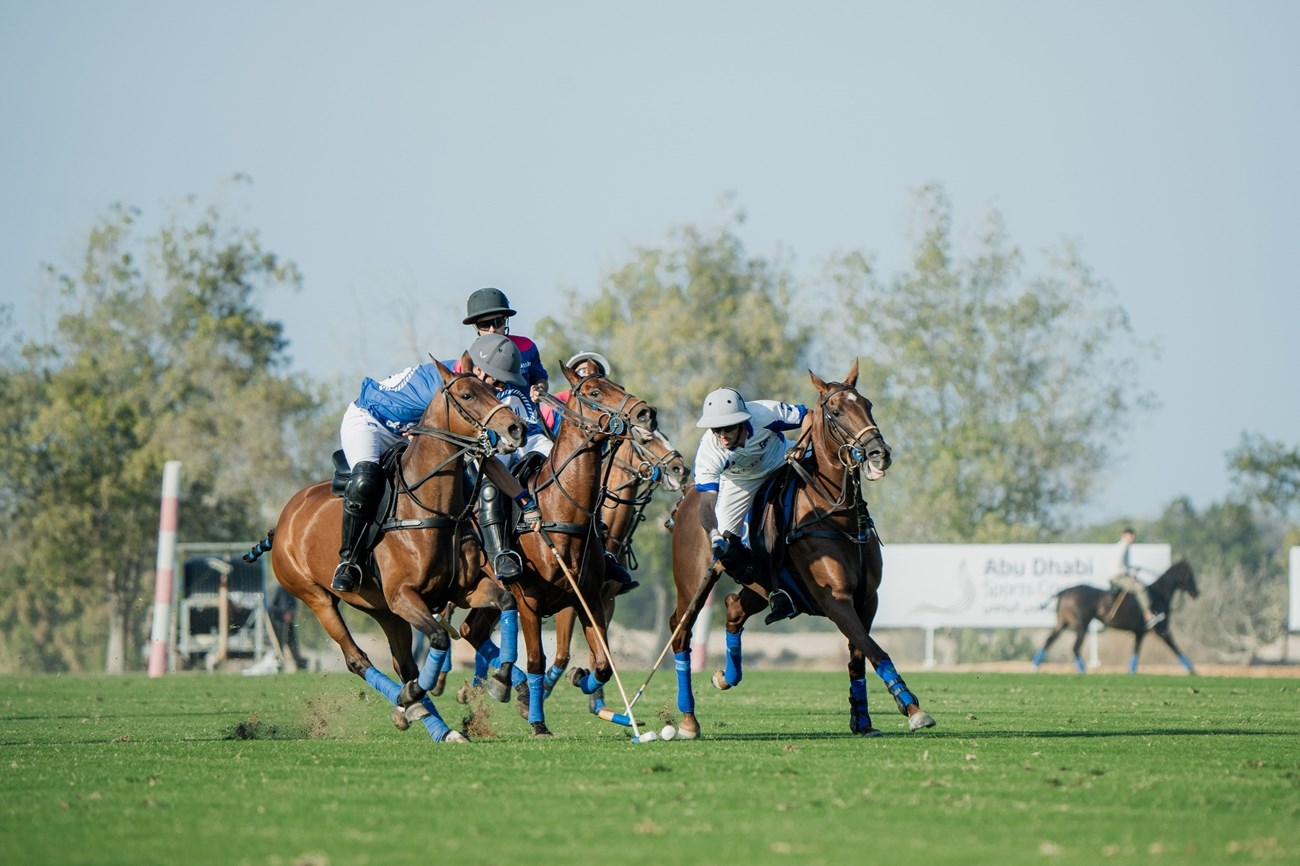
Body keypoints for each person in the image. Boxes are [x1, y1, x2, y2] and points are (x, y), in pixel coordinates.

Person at [331, 332, 542, 593]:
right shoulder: (444, 387)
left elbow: (485, 458)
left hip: (409, 432)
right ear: (480, 371)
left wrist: (524, 500)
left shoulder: (472, 392)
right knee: (365, 481)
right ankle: (349, 561)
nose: (502, 389)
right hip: (371, 422)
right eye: (499, 383)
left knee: (462, 485)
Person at [694, 387, 808, 625]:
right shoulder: (709, 451)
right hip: (741, 481)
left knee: (830, 460)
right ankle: (773, 592)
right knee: (727, 549)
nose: (723, 436)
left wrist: (803, 444)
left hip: (781, 457)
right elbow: (706, 504)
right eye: (717, 430)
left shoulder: (765, 412)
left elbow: (810, 416)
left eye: (729, 428)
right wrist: (713, 534)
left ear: (743, 422)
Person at [462, 288, 549, 405]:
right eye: (485, 325)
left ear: (505, 321)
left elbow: (540, 378)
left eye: (498, 322)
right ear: (476, 327)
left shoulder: (526, 346)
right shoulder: (470, 358)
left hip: (530, 420)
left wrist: (540, 388)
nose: (492, 329)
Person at [542, 350, 612, 437]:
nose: (587, 375)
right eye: (582, 371)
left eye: (594, 372)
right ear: (572, 376)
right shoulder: (555, 402)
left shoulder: (609, 407)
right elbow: (542, 434)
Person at [1108, 527, 1164, 629]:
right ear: (1124, 536)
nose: (1132, 538)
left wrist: (1131, 570)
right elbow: (1118, 564)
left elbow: (1124, 565)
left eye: (1133, 536)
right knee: (1140, 588)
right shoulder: (1123, 546)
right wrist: (1129, 573)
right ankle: (1148, 617)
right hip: (1118, 577)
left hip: (1120, 575)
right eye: (1130, 536)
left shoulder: (1124, 546)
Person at [265, 580, 309, 671]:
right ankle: (278, 664)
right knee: (279, 646)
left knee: (293, 644)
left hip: (289, 623)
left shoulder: (291, 589)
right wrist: (283, 615)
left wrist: (290, 614)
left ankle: (299, 664)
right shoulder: (278, 588)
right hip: (278, 624)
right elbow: (271, 607)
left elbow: (294, 606)